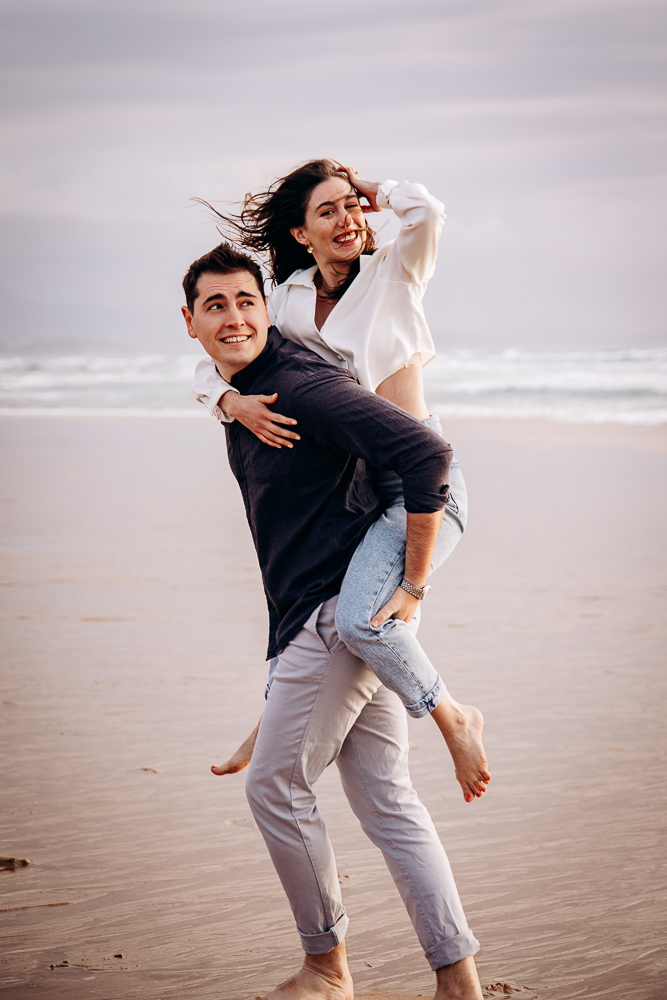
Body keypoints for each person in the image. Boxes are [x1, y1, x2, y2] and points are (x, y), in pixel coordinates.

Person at [181, 241, 485, 1000]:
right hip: (319, 617)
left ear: (268, 309)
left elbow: (426, 453)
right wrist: (222, 397)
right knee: (388, 802)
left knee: (276, 788)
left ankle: (326, 968)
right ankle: (459, 980)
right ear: (188, 321)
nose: (233, 316)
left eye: (246, 300)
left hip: (333, 614)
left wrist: (411, 583)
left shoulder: (295, 383)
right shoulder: (242, 389)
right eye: (214, 305)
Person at [193, 160, 490, 803]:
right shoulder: (290, 300)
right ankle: (271, 720)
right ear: (301, 234)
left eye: (352, 208)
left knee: (363, 622)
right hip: (360, 489)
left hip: (423, 484)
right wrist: (229, 402)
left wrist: (371, 187)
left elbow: (427, 211)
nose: (347, 221)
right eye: (327, 211)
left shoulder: (396, 272)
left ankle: (453, 716)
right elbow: (218, 350)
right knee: (313, 607)